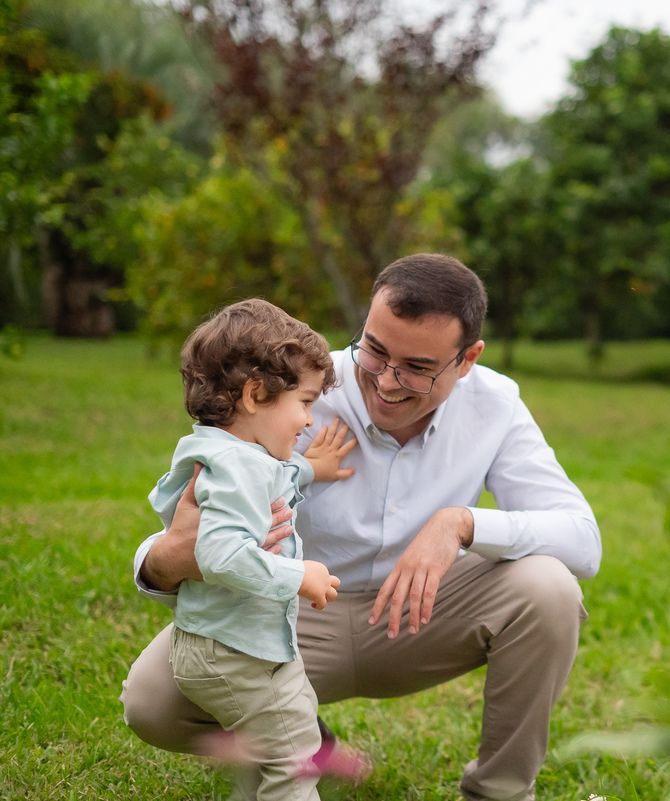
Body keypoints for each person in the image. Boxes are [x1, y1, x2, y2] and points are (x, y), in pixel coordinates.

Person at [122, 254, 602, 801]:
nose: (386, 381)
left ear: (467, 359)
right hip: (290, 617)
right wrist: (162, 562)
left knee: (550, 587)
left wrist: (460, 523)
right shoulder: (289, 388)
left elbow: (582, 539)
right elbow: (192, 527)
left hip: (419, 617)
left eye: (417, 367)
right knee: (151, 703)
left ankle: (500, 793)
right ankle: (300, 738)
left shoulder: (495, 405)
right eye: (373, 349)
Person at [149, 299, 359, 801]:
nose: (309, 420)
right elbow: (219, 554)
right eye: (305, 402)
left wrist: (311, 468)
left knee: (277, 739)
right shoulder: (239, 466)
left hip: (232, 641)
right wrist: (298, 576)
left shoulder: (230, 453)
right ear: (256, 393)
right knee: (296, 754)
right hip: (235, 650)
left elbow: (271, 476)